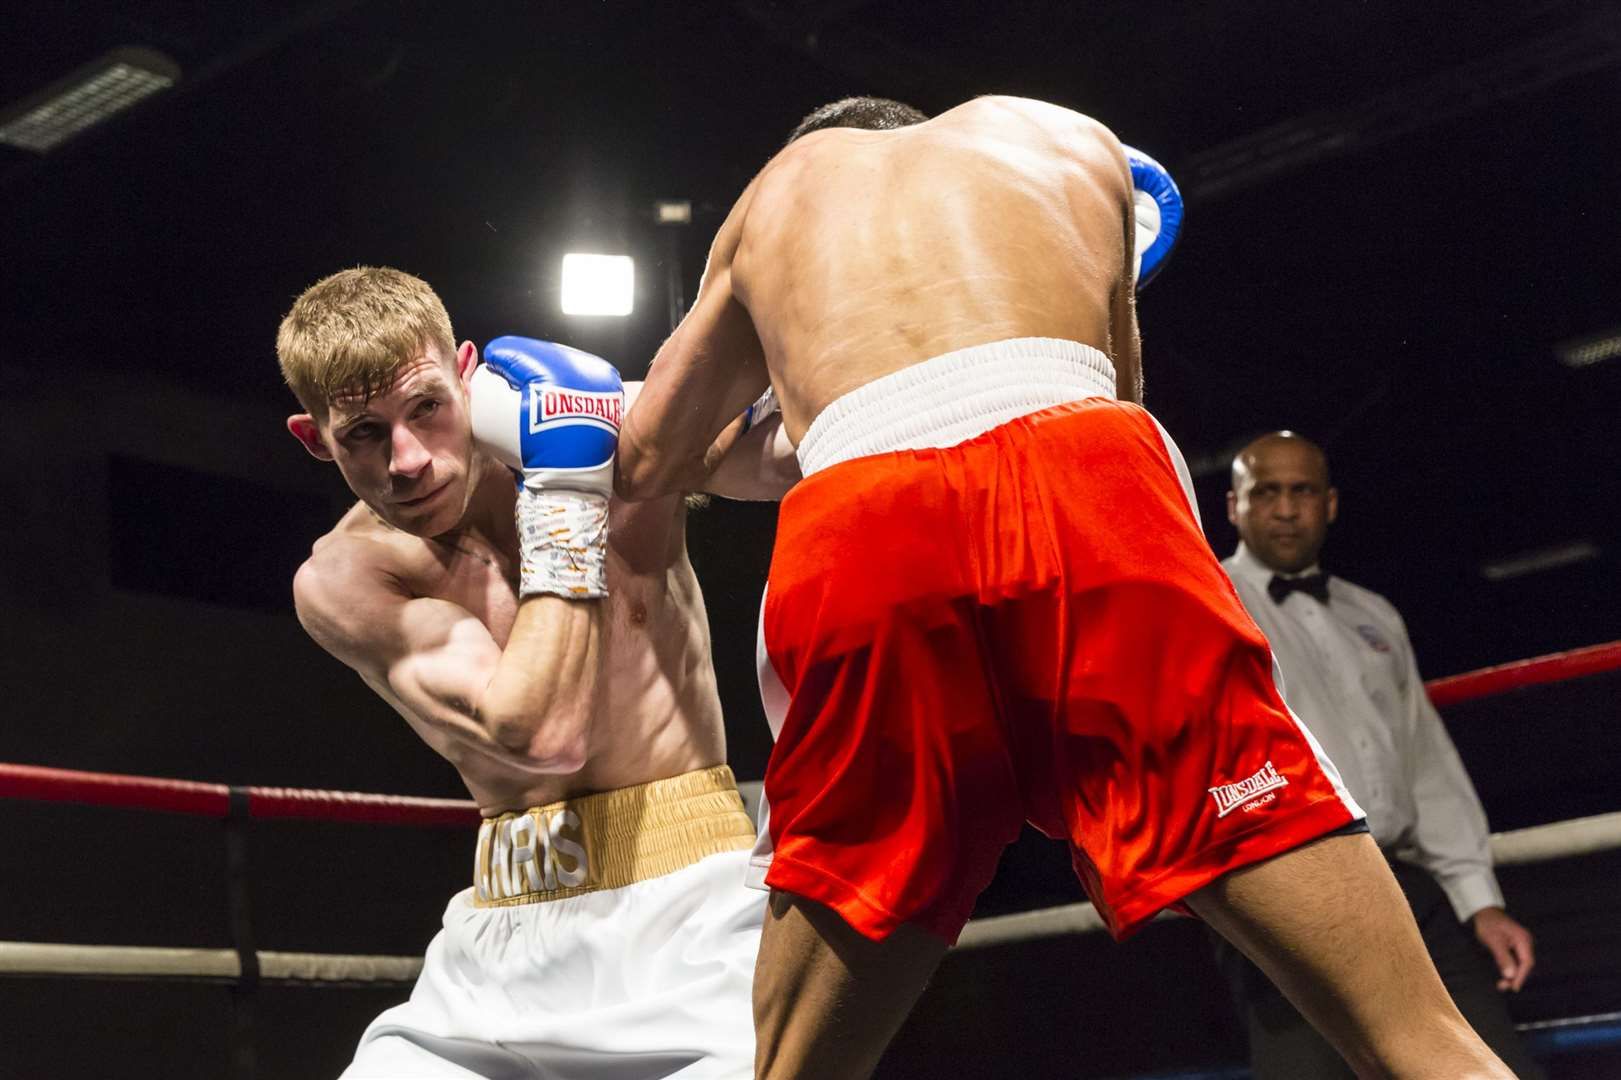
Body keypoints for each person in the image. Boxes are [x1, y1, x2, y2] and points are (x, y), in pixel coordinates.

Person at [617, 95, 1514, 1079]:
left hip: (866, 522)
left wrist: (784, 423)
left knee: (792, 1066)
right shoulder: (1065, 139)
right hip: (1089, 482)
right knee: (1417, 1036)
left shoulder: (775, 195)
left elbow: (654, 452)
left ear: (822, 146)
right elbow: (1111, 397)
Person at [275, 266, 795, 1078]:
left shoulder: (598, 424)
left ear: (466, 374)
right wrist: (564, 485)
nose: (407, 460)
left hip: (688, 916)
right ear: (314, 440)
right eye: (364, 435)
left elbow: (783, 458)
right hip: (500, 944)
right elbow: (543, 732)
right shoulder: (349, 577)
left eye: (425, 410)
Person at [1217, 430, 1544, 1078]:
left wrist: (1479, 900)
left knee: (1498, 1067)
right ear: (1233, 506)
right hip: (1288, 886)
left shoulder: (1374, 615)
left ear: (1329, 503)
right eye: (1266, 492)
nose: (1285, 509)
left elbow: (1424, 766)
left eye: (1302, 491)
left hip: (1406, 883)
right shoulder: (1209, 602)